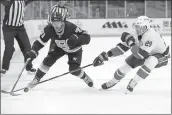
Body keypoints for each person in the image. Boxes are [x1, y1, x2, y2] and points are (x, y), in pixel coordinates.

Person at [93, 16, 170, 93]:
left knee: (151, 60)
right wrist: (107, 55)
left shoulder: (152, 35)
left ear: (146, 27)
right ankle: (113, 81)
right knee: (124, 67)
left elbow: (140, 55)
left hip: (161, 55)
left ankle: (134, 82)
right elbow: (122, 48)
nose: (137, 29)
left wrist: (130, 42)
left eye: (140, 27)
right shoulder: (135, 33)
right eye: (136, 26)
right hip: (144, 52)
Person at [25, 5, 93, 89]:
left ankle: (84, 76)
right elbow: (40, 42)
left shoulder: (71, 27)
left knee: (73, 69)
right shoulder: (49, 29)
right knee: (48, 60)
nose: (56, 26)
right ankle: (36, 79)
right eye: (54, 23)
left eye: (58, 23)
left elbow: (87, 37)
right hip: (59, 47)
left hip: (74, 49)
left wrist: (77, 39)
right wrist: (33, 52)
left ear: (63, 22)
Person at [0, 0, 36, 74]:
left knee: (27, 47)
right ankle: (4, 68)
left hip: (20, 28)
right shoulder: (9, 2)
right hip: (8, 28)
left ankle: (29, 67)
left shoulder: (23, 2)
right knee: (9, 48)